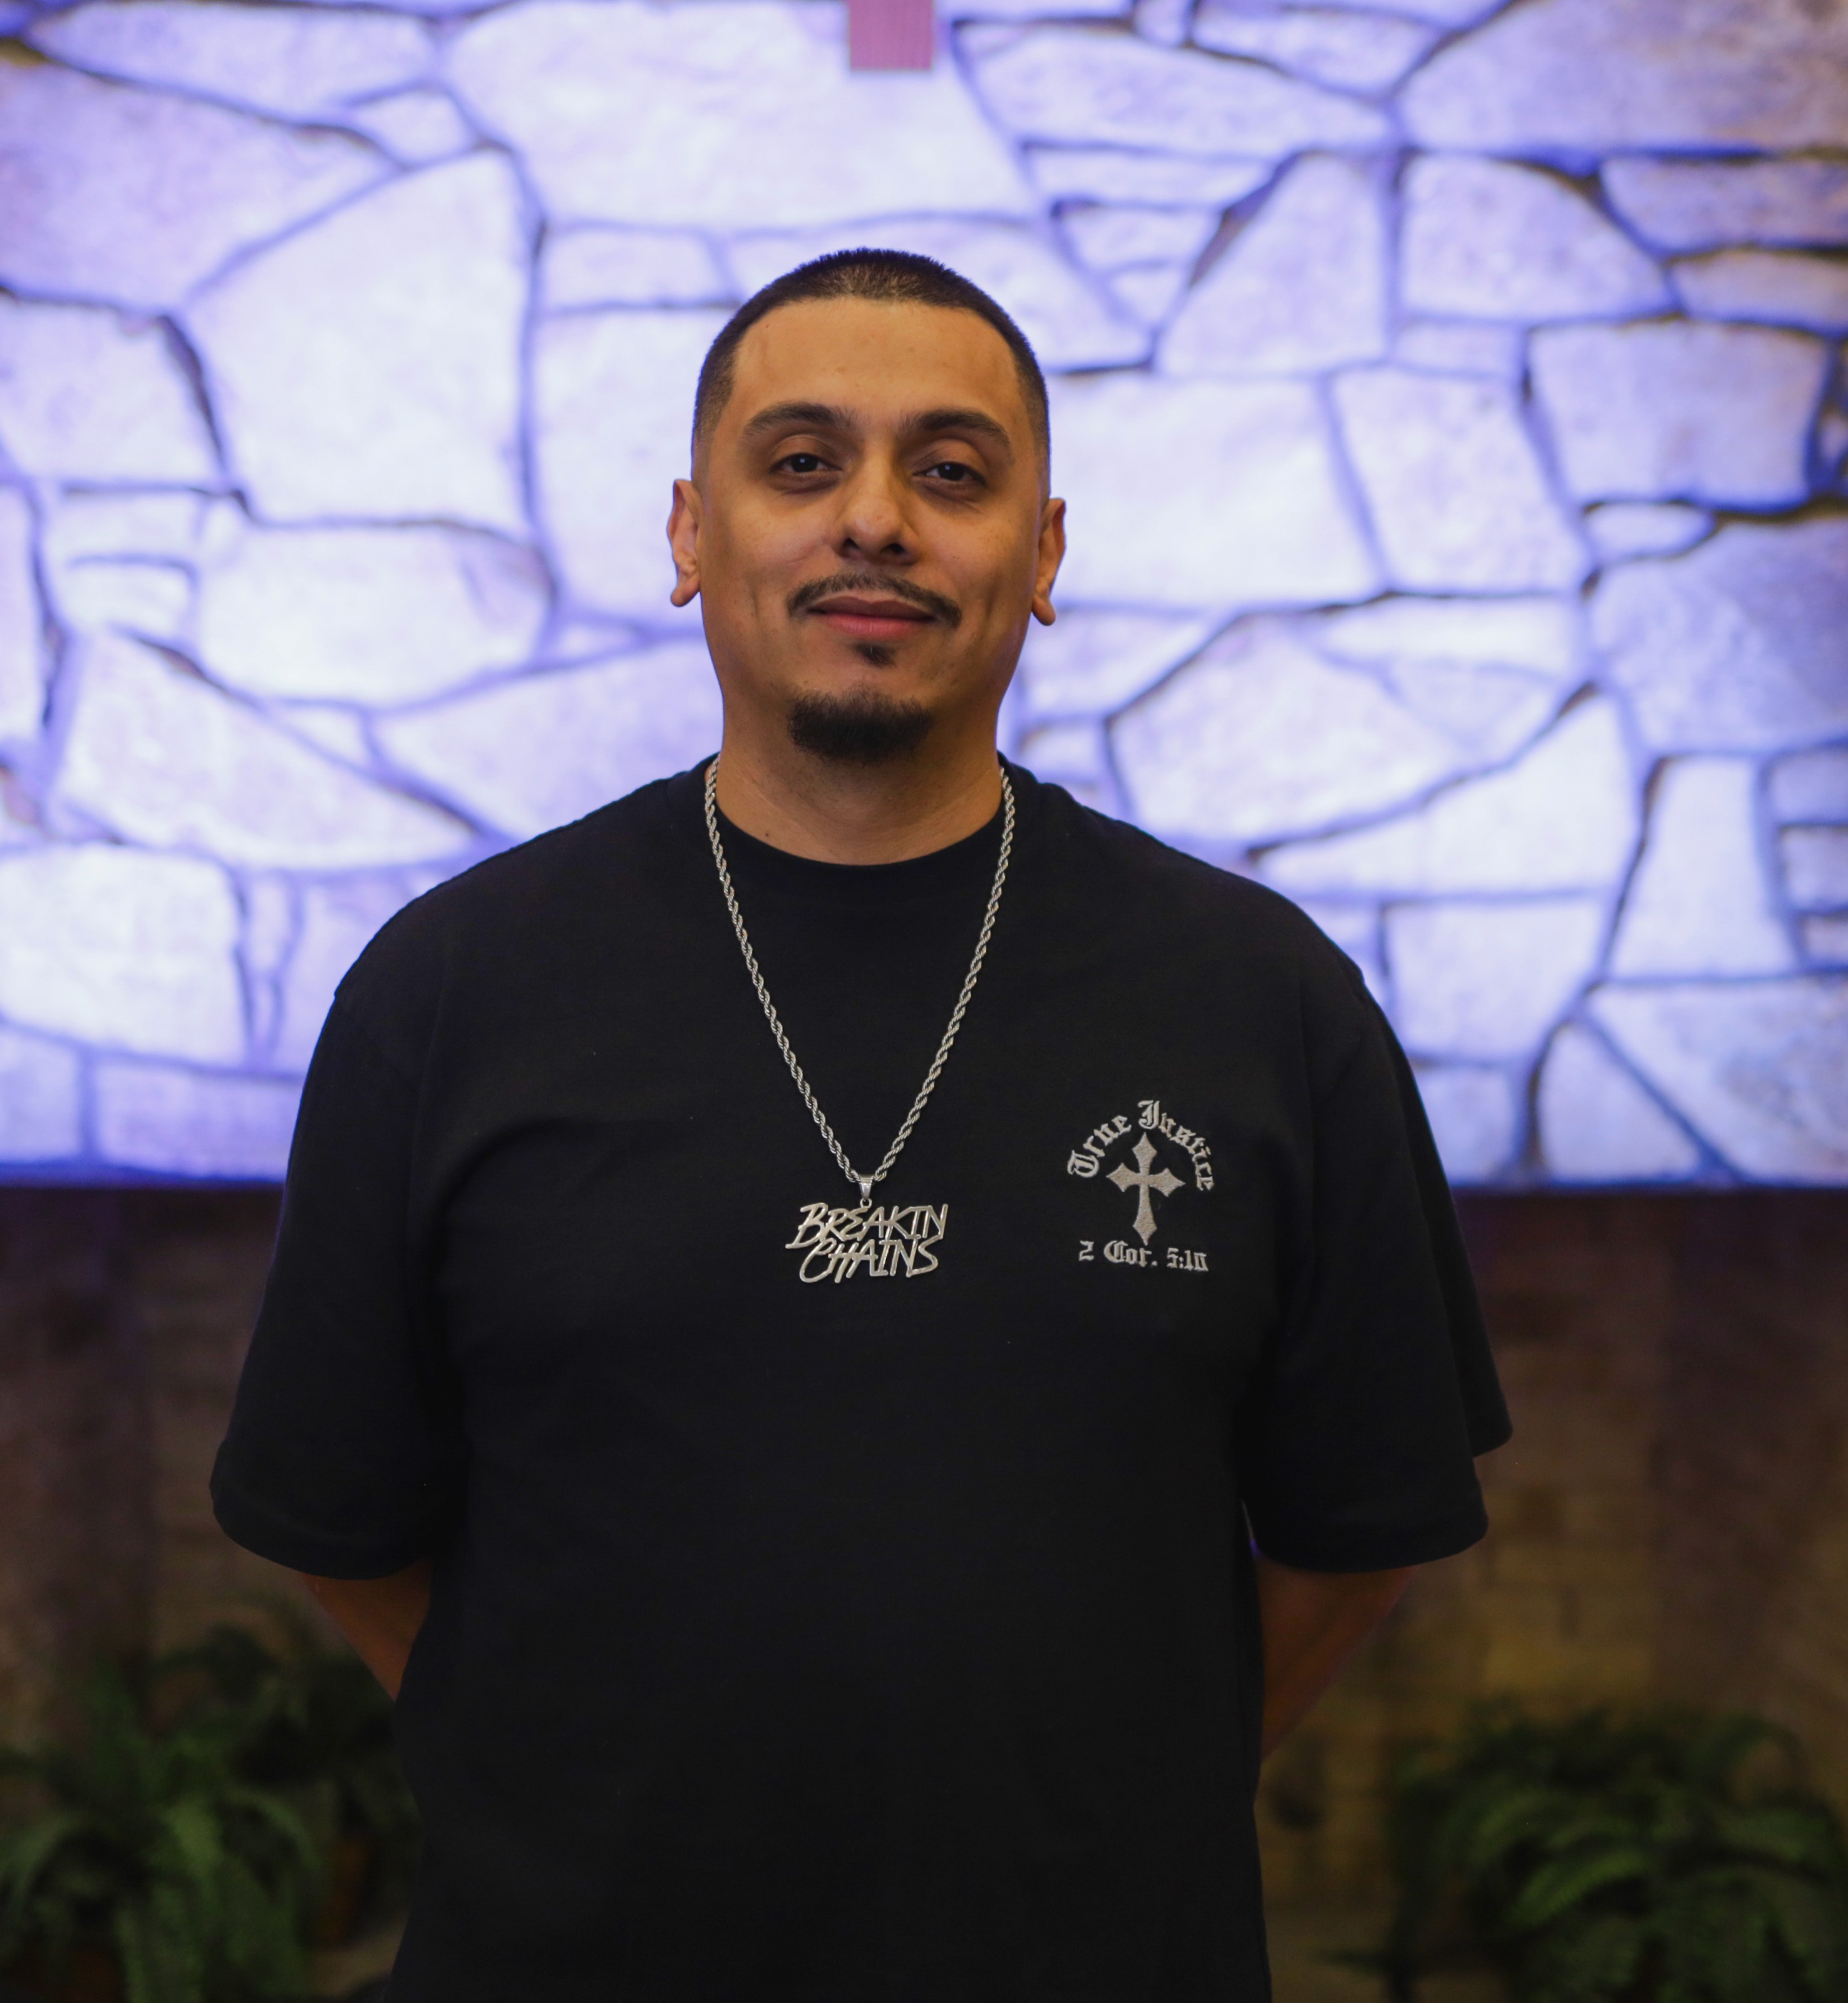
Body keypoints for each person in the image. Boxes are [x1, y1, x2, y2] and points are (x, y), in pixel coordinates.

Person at [213, 249, 1510, 2000]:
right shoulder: (452, 989)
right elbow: (342, 1521)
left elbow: (1361, 1533)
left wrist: (1109, 1805)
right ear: (693, 533)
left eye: (952, 473)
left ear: (1043, 553)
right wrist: (569, 1785)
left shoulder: (1264, 1001)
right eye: (803, 462)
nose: (876, 521)